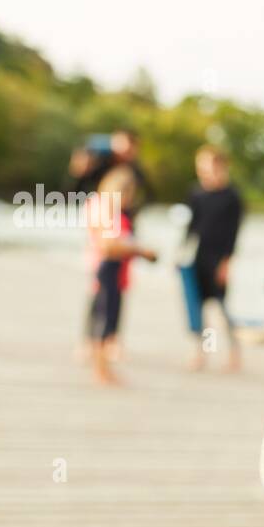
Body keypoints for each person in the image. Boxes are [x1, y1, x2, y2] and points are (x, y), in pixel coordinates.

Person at [85, 165, 158, 385]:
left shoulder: (112, 212)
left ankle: (104, 368)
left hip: (116, 272)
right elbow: (108, 246)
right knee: (104, 321)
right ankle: (101, 370)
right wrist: (139, 250)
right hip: (109, 270)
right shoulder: (106, 211)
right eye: (129, 194)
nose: (131, 199)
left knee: (109, 321)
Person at [183, 145, 244, 371]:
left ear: (220, 166)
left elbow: (234, 234)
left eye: (207, 166)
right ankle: (201, 353)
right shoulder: (196, 193)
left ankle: (234, 352)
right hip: (198, 256)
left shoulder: (233, 197)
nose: (204, 172)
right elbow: (191, 226)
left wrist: (227, 263)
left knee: (221, 308)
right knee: (197, 308)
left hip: (219, 259)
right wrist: (181, 253)